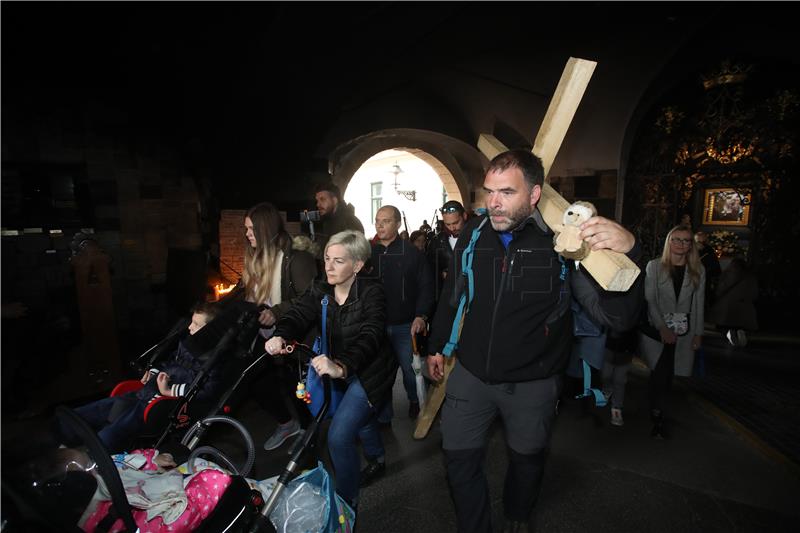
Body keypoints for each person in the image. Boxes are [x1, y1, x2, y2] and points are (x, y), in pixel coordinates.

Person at [426, 150, 642, 533]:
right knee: (458, 460)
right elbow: (453, 295)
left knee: (526, 462)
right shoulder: (474, 235)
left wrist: (630, 253)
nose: (494, 202)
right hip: (472, 375)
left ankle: (518, 514)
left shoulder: (563, 244)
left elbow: (617, 318)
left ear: (535, 194)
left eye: (507, 192)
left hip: (532, 383)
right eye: (489, 191)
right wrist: (437, 346)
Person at [265, 230, 397, 510]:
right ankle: (378, 458)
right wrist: (280, 334)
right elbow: (299, 313)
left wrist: (341, 366)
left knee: (338, 435)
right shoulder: (321, 287)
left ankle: (345, 503)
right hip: (338, 369)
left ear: (358, 265)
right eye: (326, 258)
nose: (328, 266)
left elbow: (370, 336)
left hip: (369, 371)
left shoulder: (372, 291)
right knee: (360, 418)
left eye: (338, 261)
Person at [52, 303, 222, 453]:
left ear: (210, 331)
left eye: (196, 324)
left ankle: (95, 453)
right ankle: (65, 431)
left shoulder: (212, 360)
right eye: (191, 322)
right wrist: (153, 373)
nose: (190, 327)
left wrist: (170, 391)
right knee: (104, 408)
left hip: (162, 405)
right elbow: (168, 364)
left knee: (116, 430)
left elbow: (208, 390)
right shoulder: (186, 345)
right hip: (145, 393)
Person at [239, 202, 318, 451]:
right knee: (257, 381)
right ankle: (288, 424)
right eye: (246, 229)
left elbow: (311, 299)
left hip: (295, 338)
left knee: (298, 389)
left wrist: (277, 312)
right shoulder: (258, 259)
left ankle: (308, 435)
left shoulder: (297, 259)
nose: (248, 234)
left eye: (251, 229)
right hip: (266, 336)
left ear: (265, 228)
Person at [368, 206, 434, 430]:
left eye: (385, 221)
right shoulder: (369, 254)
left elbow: (426, 286)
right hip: (377, 326)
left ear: (397, 224)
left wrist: (421, 315)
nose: (379, 225)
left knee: (409, 370)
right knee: (381, 374)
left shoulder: (412, 253)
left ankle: (416, 401)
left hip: (406, 325)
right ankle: (384, 416)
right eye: (377, 220)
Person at [639, 224, 705, 439]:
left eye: (686, 240)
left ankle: (660, 414)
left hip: (683, 332)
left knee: (670, 377)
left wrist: (698, 333)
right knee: (659, 374)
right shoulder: (655, 266)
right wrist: (662, 328)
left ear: (691, 245)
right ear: (669, 242)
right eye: (676, 239)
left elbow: (699, 304)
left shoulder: (698, 270)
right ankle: (656, 417)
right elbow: (650, 299)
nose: (681, 244)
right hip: (657, 331)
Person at [708, 257, 758, 347]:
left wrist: (717, 294)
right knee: (739, 325)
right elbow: (754, 292)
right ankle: (739, 334)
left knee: (725, 326)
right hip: (745, 306)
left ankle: (731, 336)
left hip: (728, 305)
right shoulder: (750, 275)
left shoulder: (731, 272)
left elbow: (723, 286)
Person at [427, 200, 468, 298]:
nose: (452, 228)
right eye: (447, 224)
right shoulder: (436, 242)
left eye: (456, 223)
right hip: (446, 295)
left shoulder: (477, 237)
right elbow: (430, 272)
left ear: (465, 216)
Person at [314, 182, 364, 254]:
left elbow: (355, 255)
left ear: (334, 200)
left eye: (322, 199)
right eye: (317, 201)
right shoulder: (328, 221)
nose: (318, 204)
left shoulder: (350, 222)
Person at [694, 231, 721, 304]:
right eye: (698, 242)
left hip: (705, 281)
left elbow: (716, 269)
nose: (701, 244)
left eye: (703, 242)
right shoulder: (690, 250)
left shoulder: (709, 250)